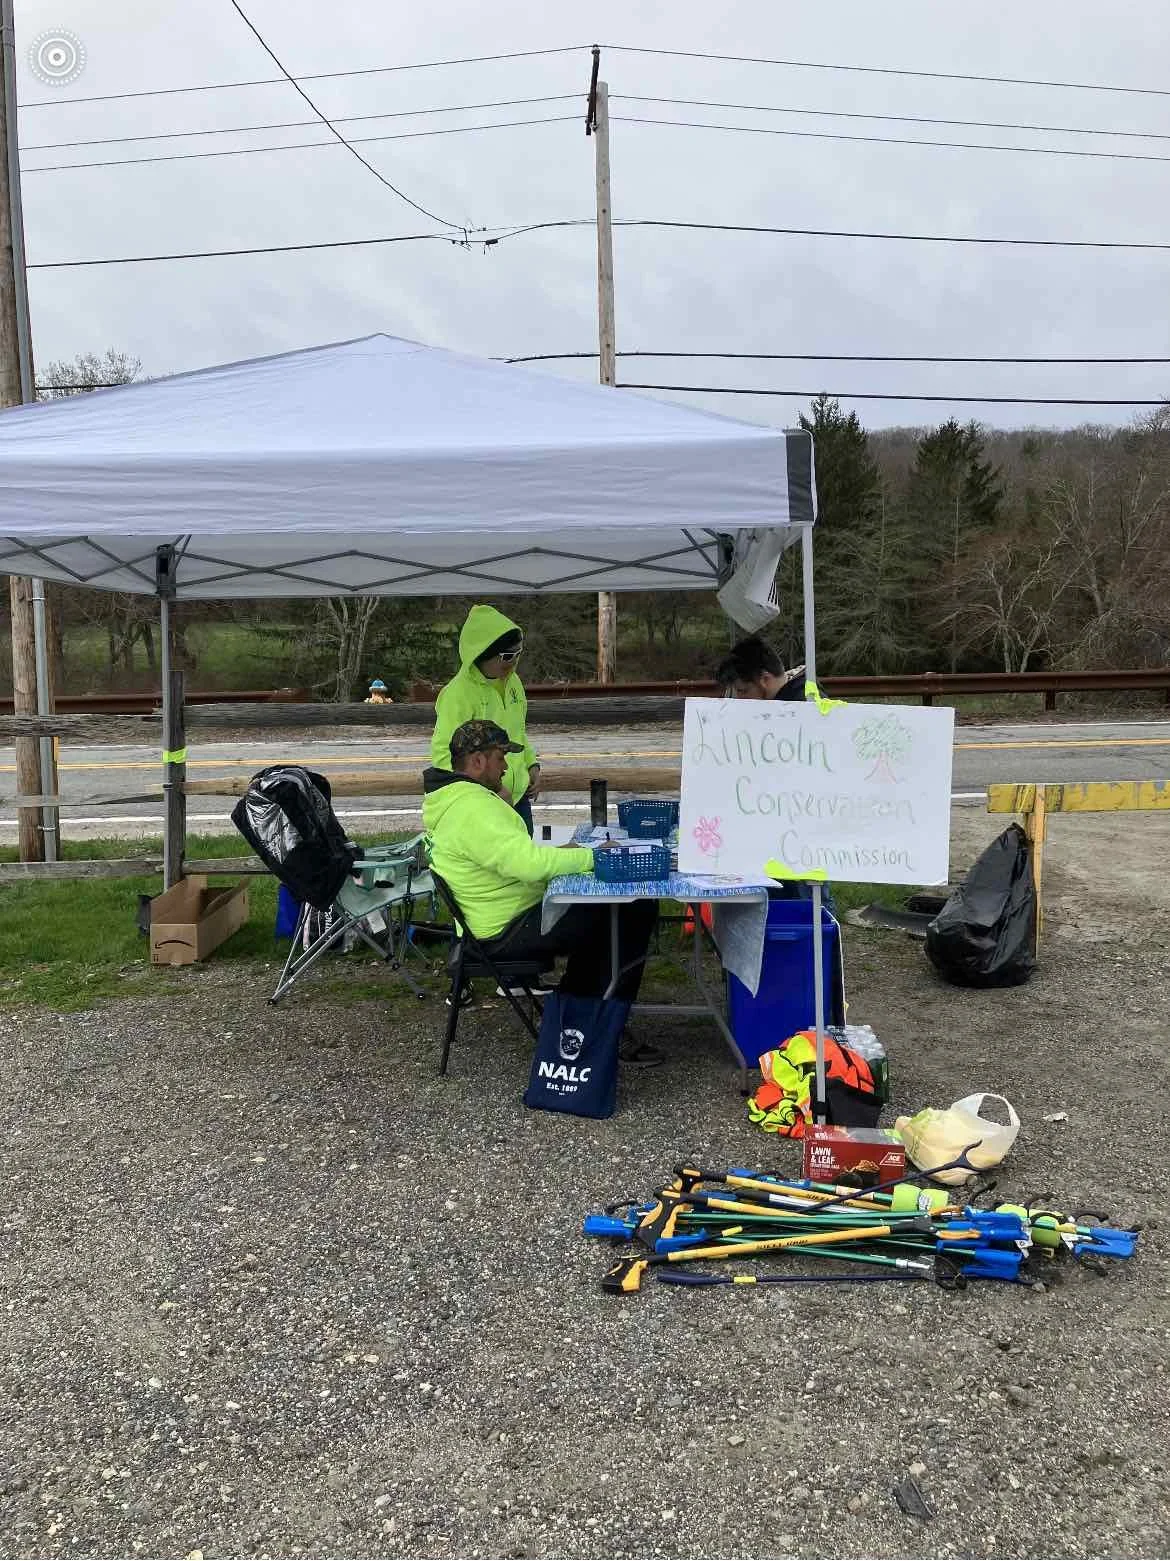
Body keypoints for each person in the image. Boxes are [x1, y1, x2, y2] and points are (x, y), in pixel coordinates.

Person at [423, 720, 658, 1008]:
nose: (506, 767)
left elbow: (516, 856)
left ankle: (581, 1003)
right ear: (478, 761)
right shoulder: (474, 808)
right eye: (501, 758)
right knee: (632, 908)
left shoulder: (454, 801)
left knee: (611, 910)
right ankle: (593, 1014)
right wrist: (595, 856)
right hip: (506, 930)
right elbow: (530, 865)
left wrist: (572, 851)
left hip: (495, 920)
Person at [431, 605, 541, 836]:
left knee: (525, 857)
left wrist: (532, 766)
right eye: (507, 656)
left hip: (518, 799)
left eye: (518, 653)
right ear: (482, 654)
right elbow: (444, 756)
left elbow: (518, 732)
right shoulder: (457, 694)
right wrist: (490, 791)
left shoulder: (514, 683)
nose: (514, 662)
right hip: (482, 802)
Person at [715, 637, 806, 702]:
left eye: (743, 691)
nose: (739, 699)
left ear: (765, 679)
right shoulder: (802, 689)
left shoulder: (796, 707)